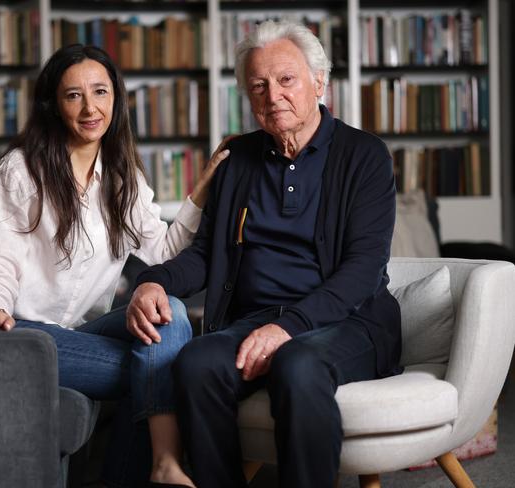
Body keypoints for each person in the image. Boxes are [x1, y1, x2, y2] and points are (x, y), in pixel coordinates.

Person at [126, 20, 402, 488]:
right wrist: (154, 281)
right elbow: (204, 255)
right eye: (258, 85)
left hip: (347, 321)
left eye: (286, 80)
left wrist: (286, 328)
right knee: (195, 363)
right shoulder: (239, 161)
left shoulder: (365, 156)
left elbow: (363, 269)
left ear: (320, 82)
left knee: (298, 364)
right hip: (255, 319)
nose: (272, 95)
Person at [0, 44, 229, 488]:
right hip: (23, 332)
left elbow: (163, 251)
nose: (90, 108)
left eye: (100, 92)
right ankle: (161, 465)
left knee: (170, 313)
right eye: (73, 96)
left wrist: (201, 189)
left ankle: (163, 466)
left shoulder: (124, 177)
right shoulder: (21, 170)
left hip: (82, 333)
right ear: (53, 104)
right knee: (165, 369)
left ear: (116, 99)